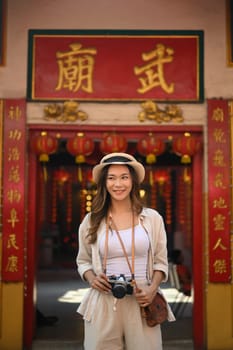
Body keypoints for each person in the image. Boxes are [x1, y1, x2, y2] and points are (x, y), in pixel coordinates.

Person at [76, 152, 175, 350]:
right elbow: (83, 261)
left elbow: (160, 262)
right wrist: (91, 278)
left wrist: (152, 289)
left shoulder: (152, 219)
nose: (118, 184)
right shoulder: (92, 220)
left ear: (133, 182)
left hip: (142, 301)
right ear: (104, 183)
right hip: (103, 302)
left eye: (124, 177)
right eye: (111, 178)